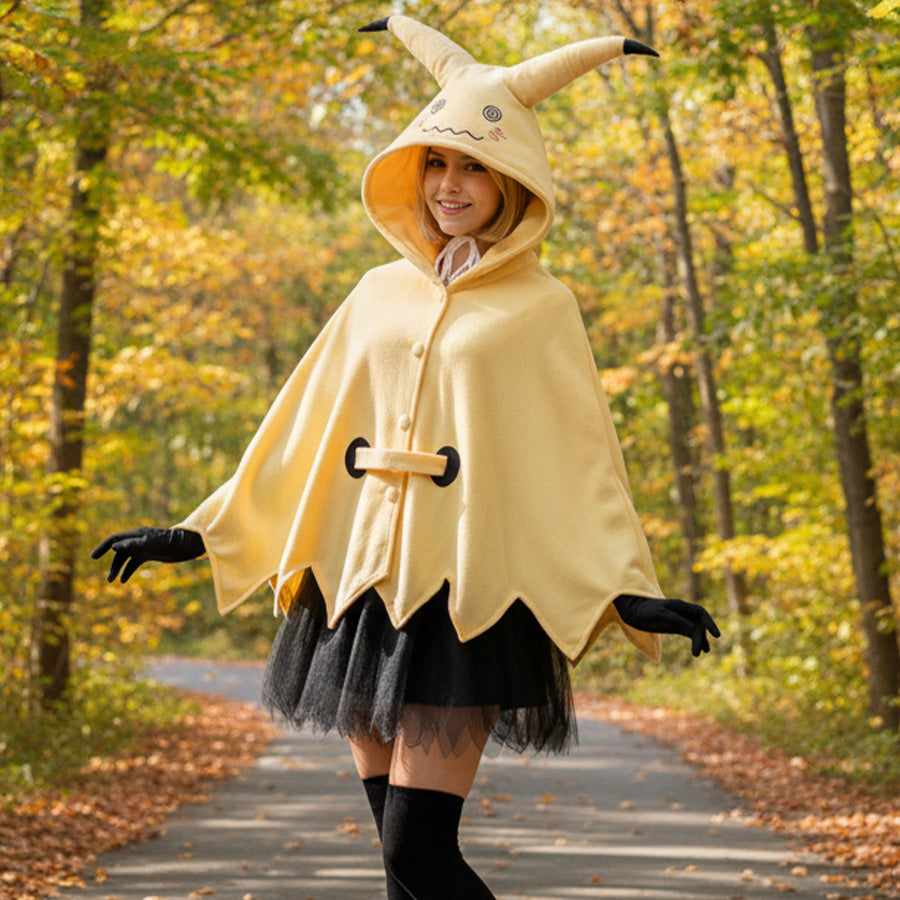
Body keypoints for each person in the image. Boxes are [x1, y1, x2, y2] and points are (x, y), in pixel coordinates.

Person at [93, 15, 720, 900]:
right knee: (397, 870)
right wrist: (198, 533)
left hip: (463, 604)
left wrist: (626, 589)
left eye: (474, 166)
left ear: (515, 180)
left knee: (416, 855)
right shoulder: (374, 292)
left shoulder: (544, 308)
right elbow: (302, 428)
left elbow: (578, 464)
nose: (450, 184)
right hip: (359, 602)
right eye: (436, 161)